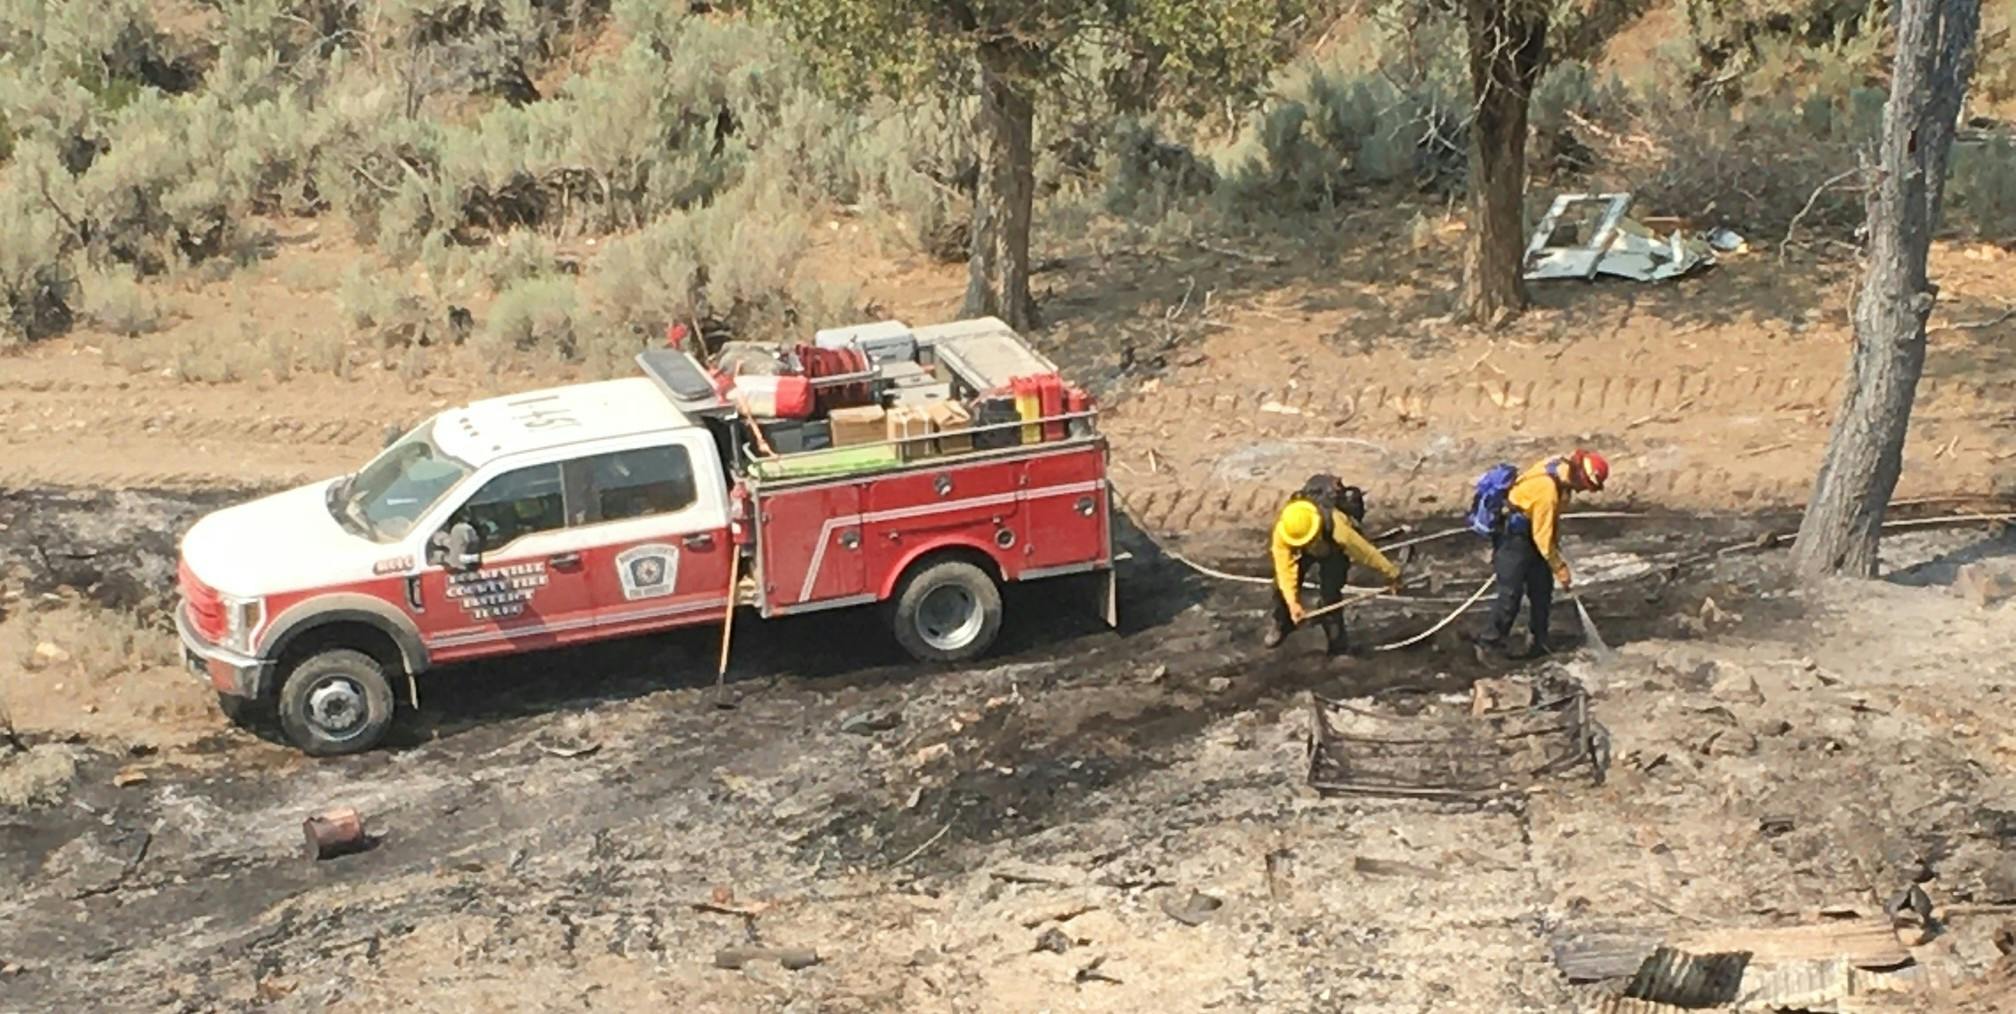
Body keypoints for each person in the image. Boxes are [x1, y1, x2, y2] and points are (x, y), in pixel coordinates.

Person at [1476, 450, 1608, 659]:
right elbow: (1543, 539)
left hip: (1532, 534)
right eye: (1584, 486)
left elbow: (1546, 529)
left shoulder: (1559, 466)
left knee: (1541, 591)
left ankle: (1539, 643)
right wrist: (1560, 567)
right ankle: (1489, 644)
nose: (1583, 490)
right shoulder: (1547, 492)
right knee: (1510, 595)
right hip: (1514, 539)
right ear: (1578, 476)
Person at [1266, 475, 1403, 654]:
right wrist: (1293, 604)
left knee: (1331, 595)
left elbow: (1365, 552)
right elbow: (1285, 570)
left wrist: (1392, 573)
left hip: (1332, 549)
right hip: (1314, 546)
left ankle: (1337, 646)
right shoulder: (1284, 532)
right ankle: (1282, 624)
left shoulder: (1338, 527)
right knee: (1280, 587)